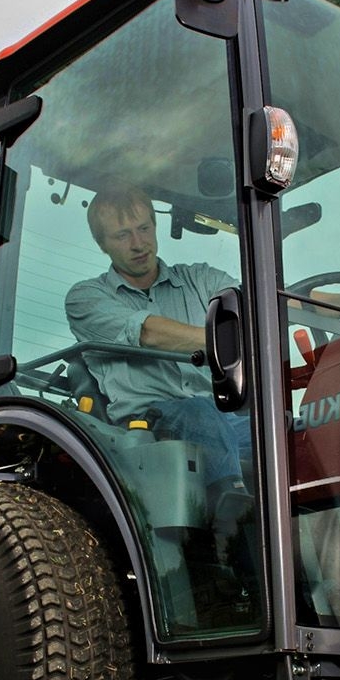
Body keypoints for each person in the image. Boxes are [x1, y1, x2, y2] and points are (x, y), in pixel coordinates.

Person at [63, 185, 252, 505]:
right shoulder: (86, 298)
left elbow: (258, 306)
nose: (138, 244)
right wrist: (225, 340)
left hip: (222, 419)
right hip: (147, 425)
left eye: (144, 229)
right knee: (199, 412)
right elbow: (149, 332)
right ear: (102, 244)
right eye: (122, 235)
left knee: (289, 428)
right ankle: (234, 517)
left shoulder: (199, 279)